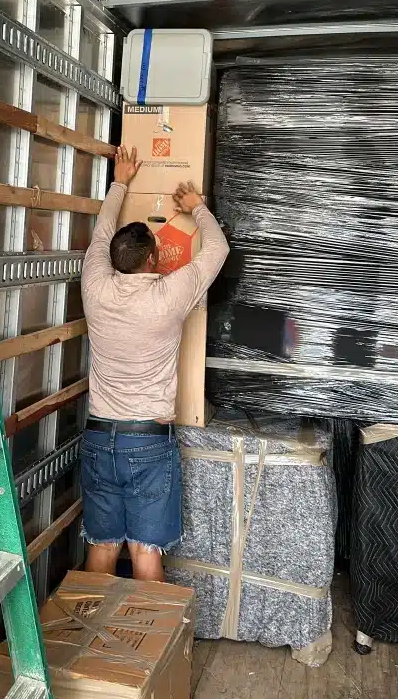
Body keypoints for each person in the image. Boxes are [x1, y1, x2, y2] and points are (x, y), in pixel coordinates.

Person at [80, 145, 230, 582]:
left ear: (112, 261)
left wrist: (120, 181)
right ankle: (152, 650)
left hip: (97, 436)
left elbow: (101, 232)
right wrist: (197, 207)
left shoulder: (95, 286)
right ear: (153, 260)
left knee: (102, 549)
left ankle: (93, 645)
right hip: (147, 443)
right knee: (146, 555)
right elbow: (217, 250)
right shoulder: (168, 295)